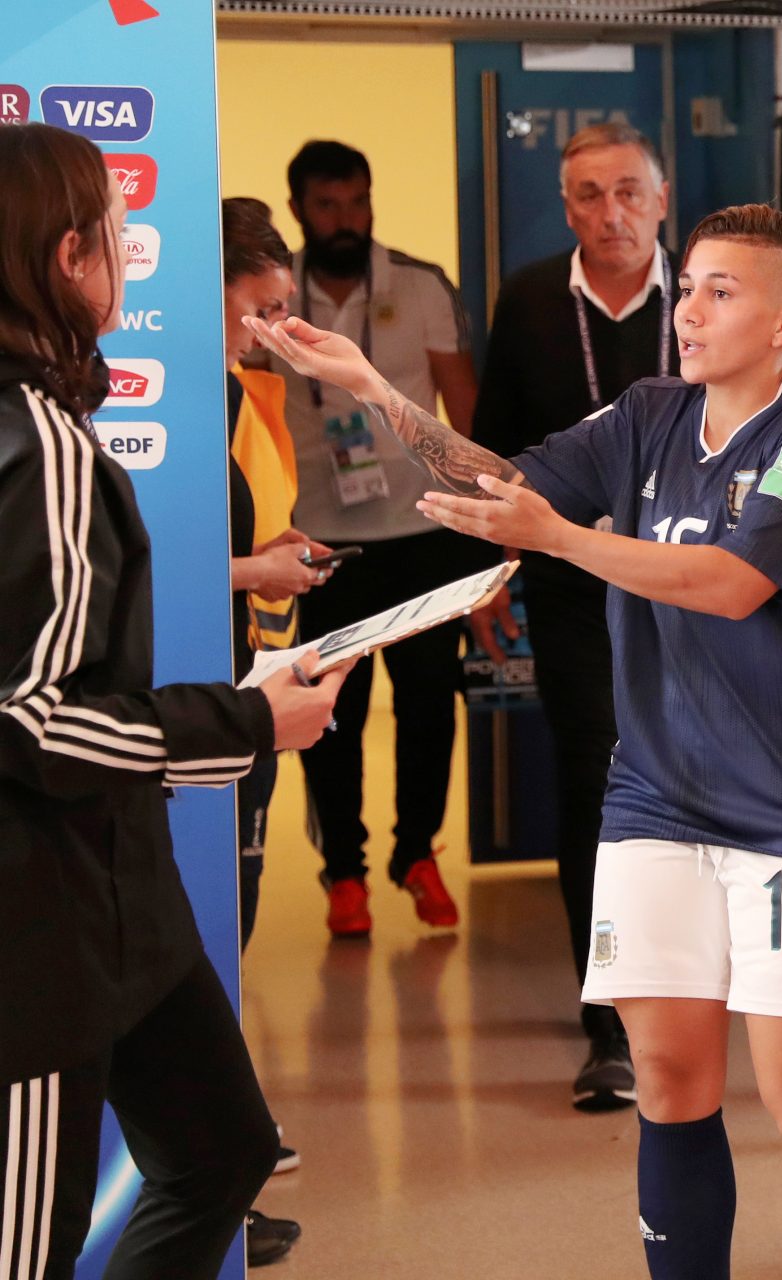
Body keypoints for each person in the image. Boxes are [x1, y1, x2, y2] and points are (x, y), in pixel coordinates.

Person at [246, 204, 782, 1280]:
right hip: (654, 797)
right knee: (671, 1080)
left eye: (720, 290)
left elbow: (731, 586)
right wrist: (373, 387)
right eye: (690, 288)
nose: (688, 307)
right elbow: (504, 483)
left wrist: (565, 539)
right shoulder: (645, 413)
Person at [0, 123, 345, 1280]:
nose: (132, 245)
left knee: (217, 1150)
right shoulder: (35, 441)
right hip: (41, 922)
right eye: (114, 225)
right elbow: (30, 717)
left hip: (118, 896)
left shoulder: (52, 415)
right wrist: (252, 722)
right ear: (65, 258)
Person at [470, 121, 677, 1113]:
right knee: (595, 786)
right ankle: (608, 1021)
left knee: (709, 779)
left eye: (629, 191)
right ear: (567, 208)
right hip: (573, 589)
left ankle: (699, 990)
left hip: (702, 587)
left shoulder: (714, 293)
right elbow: (497, 453)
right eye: (590, 194)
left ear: (662, 198)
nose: (612, 213)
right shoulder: (529, 301)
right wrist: (489, 577)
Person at [266, 139, 479, 937]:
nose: (347, 220)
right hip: (321, 539)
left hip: (424, 533)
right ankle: (344, 871)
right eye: (328, 206)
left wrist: (487, 534)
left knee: (429, 706)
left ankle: (416, 854)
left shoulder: (420, 286)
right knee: (332, 713)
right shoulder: (273, 298)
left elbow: (466, 409)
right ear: (299, 211)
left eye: (357, 202)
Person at [222, 194, 321, 1267]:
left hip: (259, 673)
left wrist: (277, 552)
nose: (282, 328)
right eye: (266, 306)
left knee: (233, 917)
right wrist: (256, 566)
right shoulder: (169, 402)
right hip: (208, 699)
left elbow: (251, 525)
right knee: (210, 920)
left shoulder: (251, 392)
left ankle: (224, 1135)